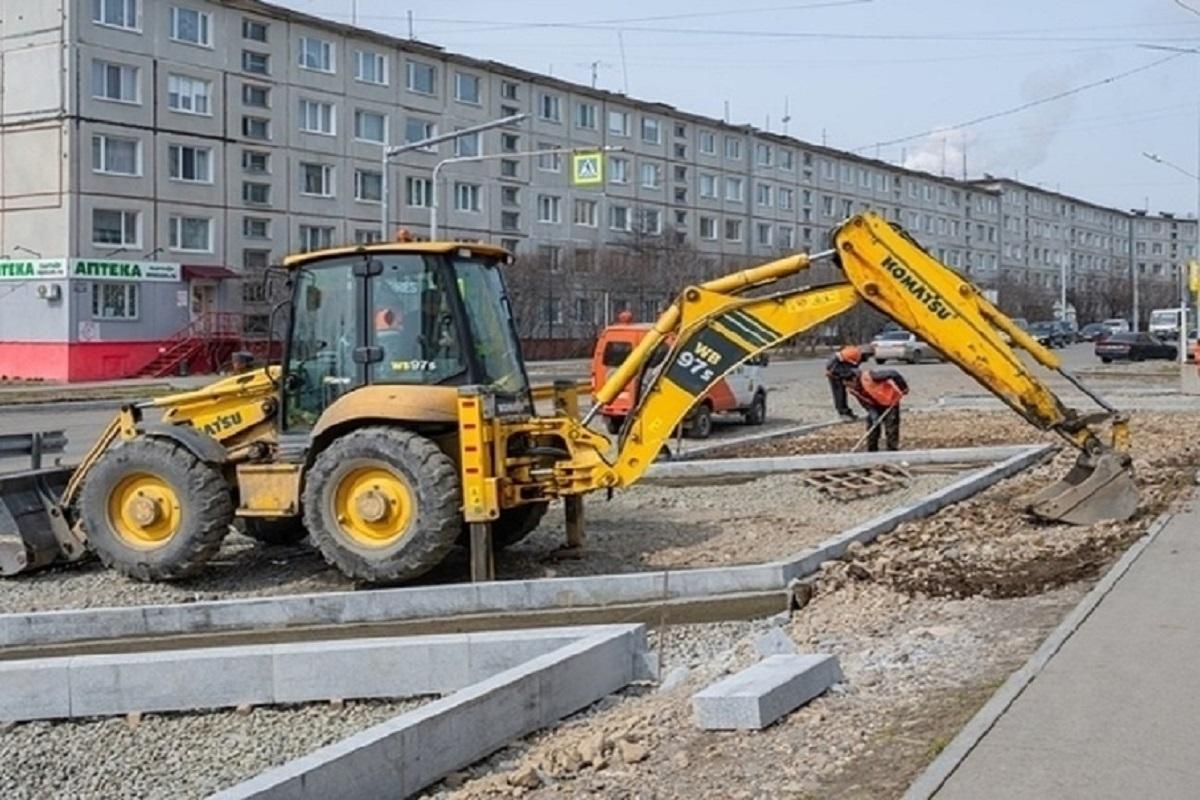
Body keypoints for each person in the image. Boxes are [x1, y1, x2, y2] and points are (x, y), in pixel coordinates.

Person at [845, 367, 909, 451]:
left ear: (854, 379)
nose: (848, 386)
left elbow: (893, 373)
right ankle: (872, 451)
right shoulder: (853, 389)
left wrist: (903, 387)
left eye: (848, 383)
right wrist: (873, 415)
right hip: (874, 405)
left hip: (890, 401)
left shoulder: (872, 376)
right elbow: (864, 403)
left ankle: (892, 451)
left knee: (891, 428)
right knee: (872, 427)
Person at [826, 345, 862, 421]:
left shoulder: (852, 355)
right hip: (835, 377)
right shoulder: (835, 364)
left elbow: (853, 367)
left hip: (839, 372)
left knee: (842, 394)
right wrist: (847, 377)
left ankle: (846, 411)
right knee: (839, 394)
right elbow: (833, 372)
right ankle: (842, 412)